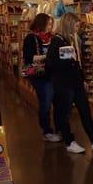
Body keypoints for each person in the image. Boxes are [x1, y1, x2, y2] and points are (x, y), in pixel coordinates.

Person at [46, 13, 93, 154]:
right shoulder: (57, 41)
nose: (77, 28)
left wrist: (82, 79)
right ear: (69, 24)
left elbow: (77, 63)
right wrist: (67, 60)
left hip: (75, 82)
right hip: (64, 84)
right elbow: (51, 64)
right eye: (76, 25)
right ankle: (69, 142)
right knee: (64, 113)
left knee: (85, 111)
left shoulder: (71, 39)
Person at [22, 13, 61, 142]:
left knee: (57, 102)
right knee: (45, 103)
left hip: (52, 75)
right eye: (48, 24)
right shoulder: (31, 38)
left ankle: (59, 128)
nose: (50, 26)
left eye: (51, 24)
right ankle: (47, 131)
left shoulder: (52, 38)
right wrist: (48, 56)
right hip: (39, 76)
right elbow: (30, 58)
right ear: (41, 23)